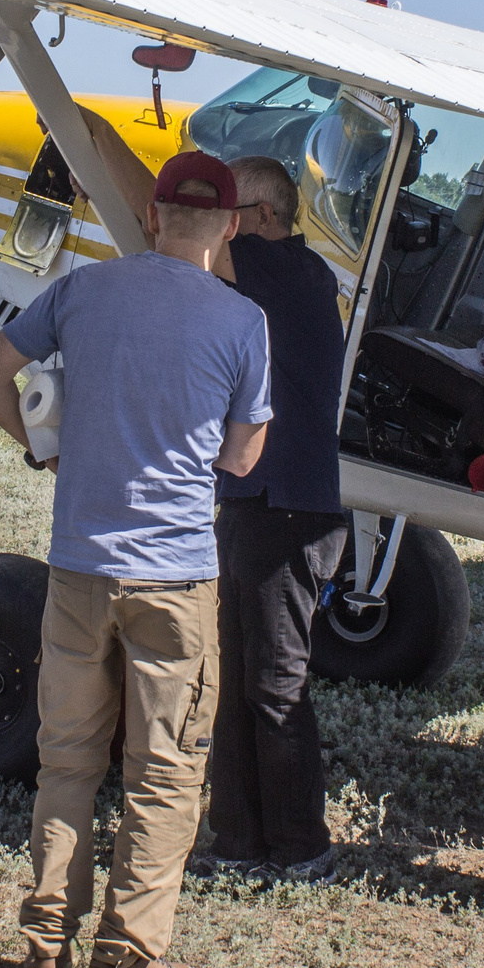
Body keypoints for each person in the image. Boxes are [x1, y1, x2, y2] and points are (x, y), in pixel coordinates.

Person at [0, 149, 271, 968]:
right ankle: (134, 955)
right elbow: (244, 455)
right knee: (164, 768)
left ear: (150, 216)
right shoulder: (244, 321)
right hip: (175, 577)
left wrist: (44, 447)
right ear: (233, 226)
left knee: (65, 760)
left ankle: (44, 946)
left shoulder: (83, 290)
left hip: (78, 570)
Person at [195, 154, 349, 885]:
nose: (217, 223)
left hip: (281, 505)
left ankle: (299, 846)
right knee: (240, 675)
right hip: (266, 502)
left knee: (276, 680)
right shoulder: (299, 276)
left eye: (229, 209)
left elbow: (169, 230)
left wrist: (94, 138)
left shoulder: (279, 269)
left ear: (260, 217)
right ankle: (238, 838)